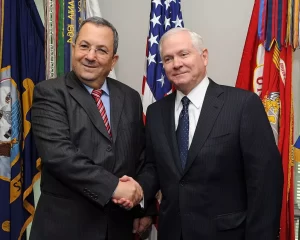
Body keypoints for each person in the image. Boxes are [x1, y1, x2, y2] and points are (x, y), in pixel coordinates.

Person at [118, 28, 283, 240]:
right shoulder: (156, 112)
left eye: (183, 54)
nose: (176, 63)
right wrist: (137, 188)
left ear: (203, 56)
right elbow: (154, 167)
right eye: (168, 58)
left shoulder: (242, 105)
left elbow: (265, 182)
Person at [29, 17, 154, 240]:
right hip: (64, 229)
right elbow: (59, 156)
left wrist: (141, 204)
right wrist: (115, 186)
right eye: (84, 46)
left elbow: (142, 159)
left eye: (101, 50)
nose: (90, 56)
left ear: (113, 60)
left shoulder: (130, 97)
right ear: (74, 47)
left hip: (118, 228)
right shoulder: (49, 93)